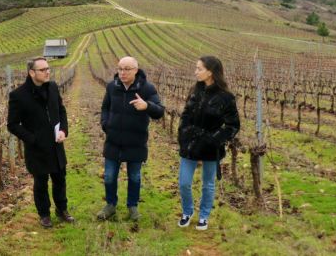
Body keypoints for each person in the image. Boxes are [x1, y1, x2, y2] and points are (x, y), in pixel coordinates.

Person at [7, 56, 74, 228]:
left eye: (48, 69)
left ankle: (62, 209)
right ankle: (44, 214)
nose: (47, 72)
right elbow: (12, 124)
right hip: (37, 148)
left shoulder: (52, 87)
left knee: (60, 179)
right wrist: (32, 139)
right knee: (41, 182)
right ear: (31, 72)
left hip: (56, 144)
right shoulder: (18, 95)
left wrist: (63, 130)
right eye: (43, 70)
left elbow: (61, 110)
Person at [97, 56, 165, 221]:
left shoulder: (147, 88)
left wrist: (147, 106)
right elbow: (105, 107)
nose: (122, 72)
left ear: (136, 70)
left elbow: (160, 111)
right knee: (109, 176)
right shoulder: (112, 87)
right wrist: (106, 124)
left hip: (136, 141)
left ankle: (132, 206)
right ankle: (110, 205)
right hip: (113, 140)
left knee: (134, 176)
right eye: (120, 68)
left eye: (127, 69)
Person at [177, 56, 240, 231]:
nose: (195, 72)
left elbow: (233, 125)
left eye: (199, 68)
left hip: (211, 147)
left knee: (208, 183)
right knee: (183, 182)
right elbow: (185, 116)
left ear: (210, 72)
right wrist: (183, 136)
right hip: (190, 145)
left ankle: (204, 216)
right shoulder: (195, 91)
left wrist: (214, 140)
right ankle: (187, 211)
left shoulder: (226, 98)